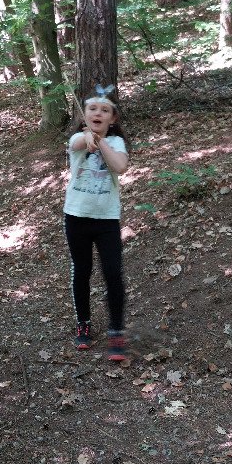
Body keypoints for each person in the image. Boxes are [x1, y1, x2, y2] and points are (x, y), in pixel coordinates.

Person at [64, 85, 130, 361]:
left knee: (113, 273)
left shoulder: (116, 143)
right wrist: (88, 138)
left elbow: (120, 166)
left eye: (104, 110)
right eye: (92, 109)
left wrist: (101, 142)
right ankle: (83, 323)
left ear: (112, 118)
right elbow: (78, 144)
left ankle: (116, 331)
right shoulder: (77, 138)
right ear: (84, 114)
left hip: (107, 220)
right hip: (76, 216)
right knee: (82, 270)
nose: (98, 113)